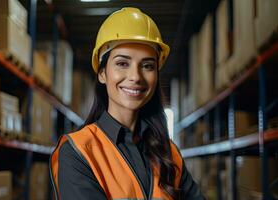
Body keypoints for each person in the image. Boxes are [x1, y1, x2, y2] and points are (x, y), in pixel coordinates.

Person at [50, 7, 205, 200]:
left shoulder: (168, 153)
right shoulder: (78, 152)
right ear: (102, 73)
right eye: (122, 63)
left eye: (147, 66)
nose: (135, 77)